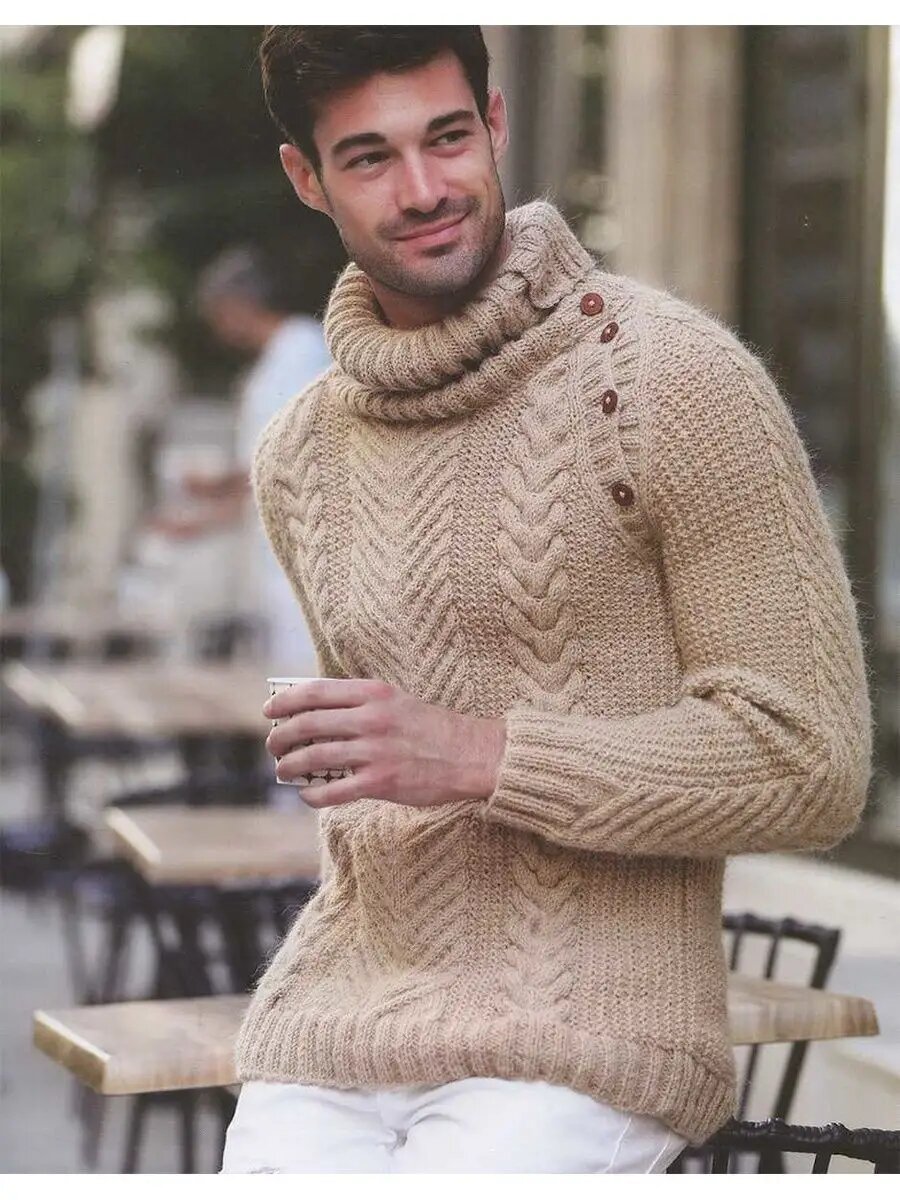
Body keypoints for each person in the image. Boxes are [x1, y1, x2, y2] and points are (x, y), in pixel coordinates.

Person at [222, 27, 873, 1174]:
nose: (424, 188)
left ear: (497, 124)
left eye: (447, 138)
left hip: (588, 1034)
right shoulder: (301, 454)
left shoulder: (674, 382)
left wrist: (482, 756)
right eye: (370, 158)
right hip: (338, 1022)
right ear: (306, 179)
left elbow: (810, 761)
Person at [152, 247, 332, 670]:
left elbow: (293, 459)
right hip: (273, 562)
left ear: (237, 305)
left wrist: (216, 487)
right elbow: (262, 476)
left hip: (306, 559)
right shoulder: (270, 364)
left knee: (306, 679)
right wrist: (208, 510)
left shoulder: (301, 350)